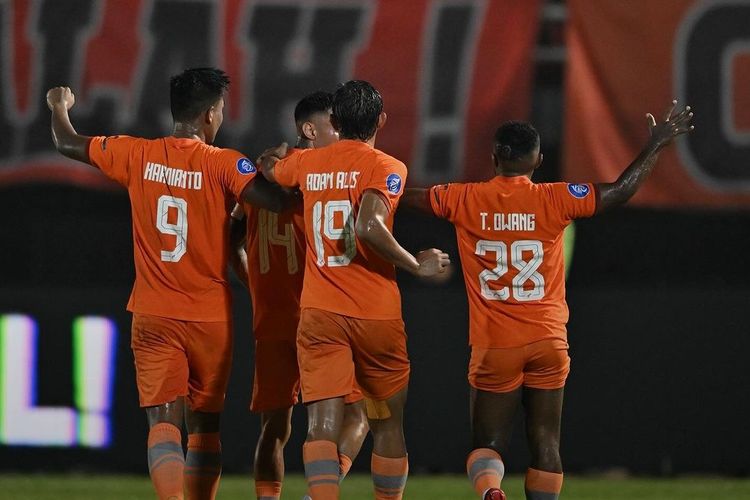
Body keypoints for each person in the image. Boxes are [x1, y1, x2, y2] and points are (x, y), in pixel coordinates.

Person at [401, 101, 694, 500]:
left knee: (487, 445)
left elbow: (405, 198)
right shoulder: (556, 199)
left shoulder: (463, 198)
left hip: (495, 343)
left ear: (494, 158)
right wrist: (655, 145)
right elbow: (620, 191)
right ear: (538, 160)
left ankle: (491, 492)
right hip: (548, 341)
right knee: (546, 443)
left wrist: (366, 186)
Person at [46, 68, 293, 500]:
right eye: (220, 109)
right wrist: (278, 168)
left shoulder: (135, 153)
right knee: (205, 427)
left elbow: (67, 142)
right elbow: (276, 202)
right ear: (210, 114)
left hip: (154, 313)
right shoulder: (224, 163)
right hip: (210, 319)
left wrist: (59, 107)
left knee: (163, 423)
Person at [259, 80, 450, 500]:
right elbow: (368, 225)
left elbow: (271, 169)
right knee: (385, 422)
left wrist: (270, 157)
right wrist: (416, 264)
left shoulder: (308, 163)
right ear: (380, 120)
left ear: (335, 120)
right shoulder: (388, 166)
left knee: (321, 427)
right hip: (375, 319)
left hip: (321, 317)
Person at [229, 91, 369, 500]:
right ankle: (316, 495)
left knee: (274, 430)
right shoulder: (322, 178)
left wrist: (255, 285)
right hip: (320, 319)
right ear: (310, 129)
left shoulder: (258, 178)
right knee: (357, 417)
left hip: (272, 321)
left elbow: (230, 240)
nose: (341, 132)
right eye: (335, 125)